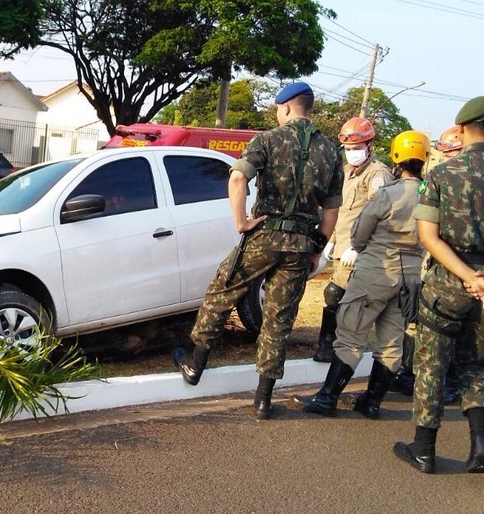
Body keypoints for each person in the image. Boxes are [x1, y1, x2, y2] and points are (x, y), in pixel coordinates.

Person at [172, 81, 343, 420]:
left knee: (223, 291)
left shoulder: (268, 139)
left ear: (287, 108)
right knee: (279, 319)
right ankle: (263, 399)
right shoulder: (330, 151)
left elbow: (238, 178)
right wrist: (316, 248)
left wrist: (241, 222)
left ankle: (195, 364)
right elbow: (332, 211)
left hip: (265, 235)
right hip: (300, 244)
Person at [393, 96, 484, 474]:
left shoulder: (442, 174)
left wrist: (467, 275)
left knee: (431, 365)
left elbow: (429, 236)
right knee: (475, 364)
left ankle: (424, 448)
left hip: (448, 283)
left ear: (460, 130)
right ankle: (480, 442)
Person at [292, 131, 428, 418]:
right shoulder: (430, 194)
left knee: (351, 335)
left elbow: (360, 232)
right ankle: (371, 402)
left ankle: (327, 398)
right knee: (392, 343)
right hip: (410, 276)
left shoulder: (389, 193)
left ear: (395, 157)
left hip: (377, 269)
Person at [391, 124, 465, 401]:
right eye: (445, 152)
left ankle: (451, 382)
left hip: (473, 265)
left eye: (454, 151)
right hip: (438, 262)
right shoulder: (437, 179)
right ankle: (410, 373)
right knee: (422, 321)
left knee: (461, 330)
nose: (449, 157)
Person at [313, 117, 395, 362]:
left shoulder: (378, 174)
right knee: (337, 297)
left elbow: (379, 216)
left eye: (357, 148)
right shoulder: (347, 173)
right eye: (348, 149)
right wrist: (329, 242)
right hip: (341, 248)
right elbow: (339, 211)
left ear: (369, 146)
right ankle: (331, 345)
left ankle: (331, 346)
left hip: (362, 251)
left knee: (338, 295)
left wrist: (357, 248)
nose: (352, 153)